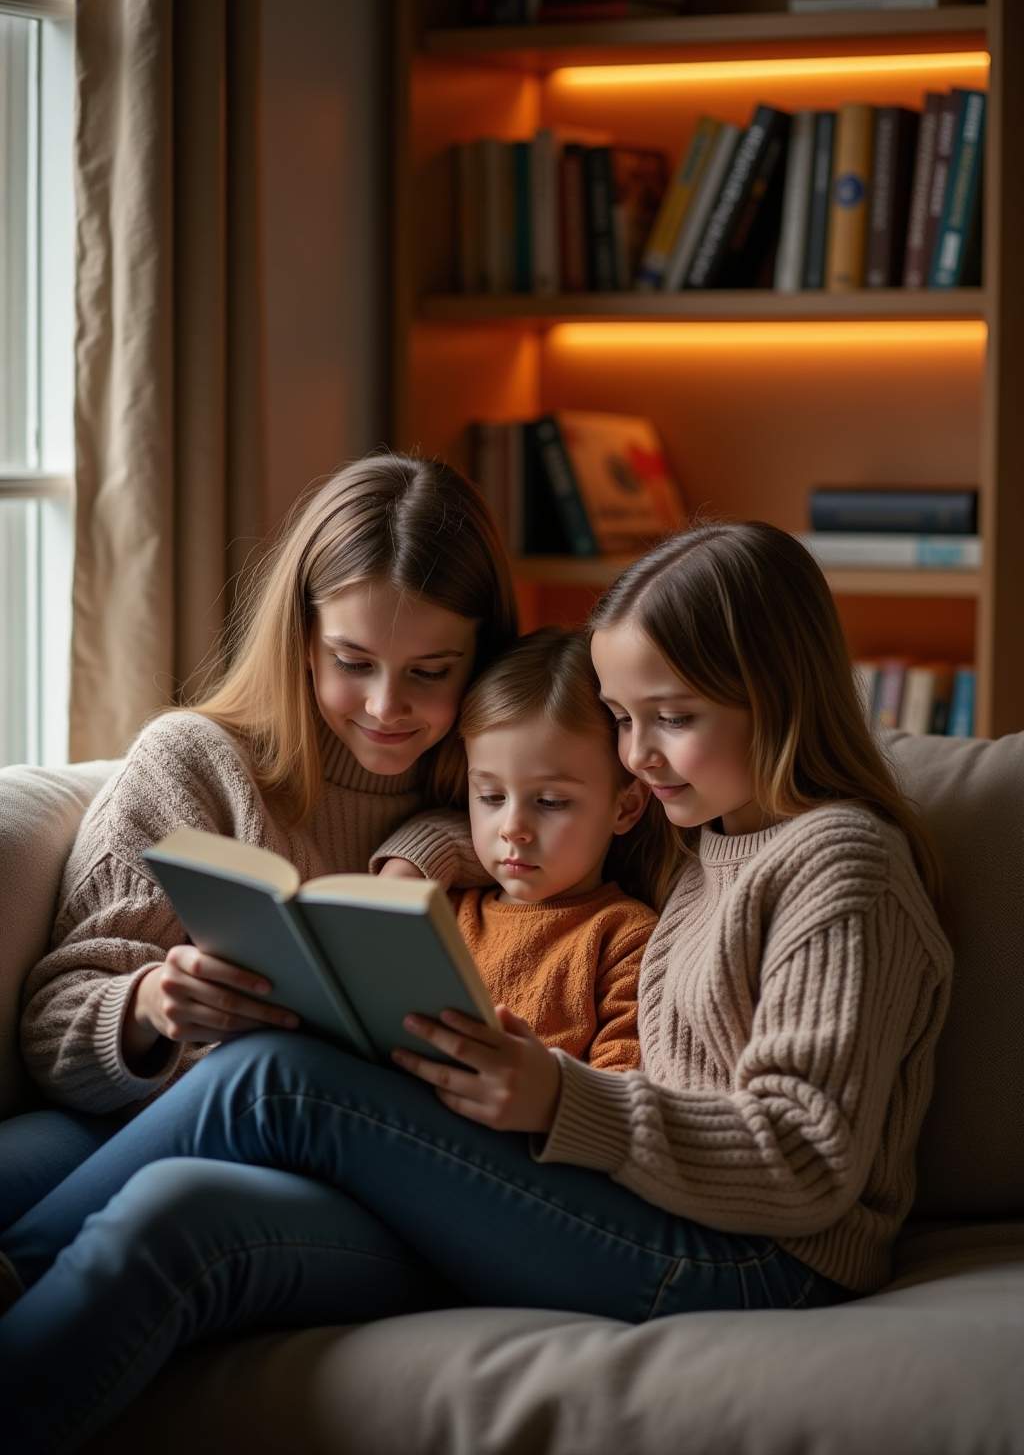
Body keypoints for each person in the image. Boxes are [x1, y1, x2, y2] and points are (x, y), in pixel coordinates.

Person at [0, 520, 954, 1455]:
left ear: (777, 696)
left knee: (275, 1078)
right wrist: (423, 857)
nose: (638, 755)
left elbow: (806, 1161)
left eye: (672, 718)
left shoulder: (839, 862)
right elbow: (527, 816)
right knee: (178, 1207)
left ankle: (15, 1271)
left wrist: (561, 1098)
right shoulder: (709, 829)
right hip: (653, 1210)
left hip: (754, 1261)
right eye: (623, 720)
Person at [0, 449, 517, 1233]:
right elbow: (51, 1034)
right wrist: (151, 1006)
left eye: (430, 672)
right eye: (353, 662)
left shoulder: (500, 794)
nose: (386, 706)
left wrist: (434, 844)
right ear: (302, 637)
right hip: (145, 1118)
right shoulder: (195, 763)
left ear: (481, 657)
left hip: (353, 1170)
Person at [443, 626, 672, 1072]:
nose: (513, 828)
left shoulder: (624, 937)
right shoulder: (444, 916)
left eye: (550, 802)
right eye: (491, 796)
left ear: (626, 807)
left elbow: (620, 1081)